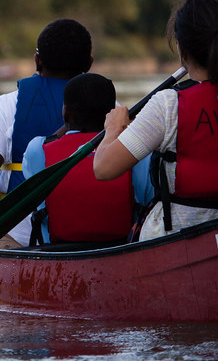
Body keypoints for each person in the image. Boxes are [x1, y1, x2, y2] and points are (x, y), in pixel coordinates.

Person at [93, 0, 218, 241]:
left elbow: (103, 168)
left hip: (175, 240)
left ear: (182, 50)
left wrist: (113, 128)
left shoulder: (167, 105)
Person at [0, 18, 93, 247]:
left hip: (20, 237)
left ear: (37, 60)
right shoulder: (111, 107)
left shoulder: (5, 106)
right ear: (89, 63)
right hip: (92, 233)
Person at [22, 72, 135, 245]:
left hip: (56, 250)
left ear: (65, 113)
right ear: (112, 114)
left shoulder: (37, 149)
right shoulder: (133, 150)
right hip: (121, 247)